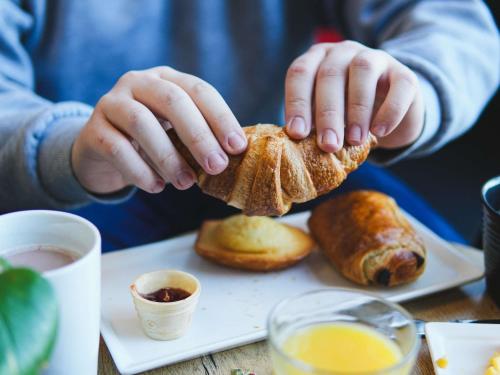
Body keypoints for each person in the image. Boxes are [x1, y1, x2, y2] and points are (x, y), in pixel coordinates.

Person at [0, 1, 498, 251]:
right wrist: (66, 148)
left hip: (291, 172)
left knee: (453, 295)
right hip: (86, 183)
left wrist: (413, 89)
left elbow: (452, 21)